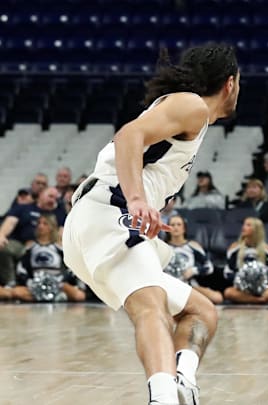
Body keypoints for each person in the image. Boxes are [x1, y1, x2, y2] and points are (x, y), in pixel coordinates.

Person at [62, 43, 239, 405]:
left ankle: (182, 384)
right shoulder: (191, 105)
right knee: (152, 307)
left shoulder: (188, 117)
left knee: (201, 311)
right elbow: (128, 135)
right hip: (109, 210)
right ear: (230, 84)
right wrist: (138, 199)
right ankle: (163, 398)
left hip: (93, 221)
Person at [11, 214, 86, 303]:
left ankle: (46, 297)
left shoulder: (58, 248)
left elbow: (72, 267)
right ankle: (53, 297)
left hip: (57, 283)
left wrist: (60, 279)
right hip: (36, 284)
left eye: (45, 224)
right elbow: (21, 268)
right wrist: (29, 282)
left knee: (79, 295)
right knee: (16, 292)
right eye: (39, 223)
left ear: (51, 227)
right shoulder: (31, 248)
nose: (40, 226)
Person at [0, 187, 65, 286]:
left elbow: (62, 233)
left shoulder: (59, 213)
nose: (53, 200)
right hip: (23, 246)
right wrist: (1, 235)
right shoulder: (23, 208)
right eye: (50, 196)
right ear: (40, 195)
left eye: (56, 198)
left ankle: (59, 283)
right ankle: (10, 282)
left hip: (50, 246)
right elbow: (10, 222)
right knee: (5, 247)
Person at [164, 215, 222, 305]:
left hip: (188, 285)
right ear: (167, 228)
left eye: (179, 224)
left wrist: (193, 271)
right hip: (167, 285)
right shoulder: (162, 247)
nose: (175, 227)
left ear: (184, 228)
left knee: (217, 298)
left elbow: (209, 267)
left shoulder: (192, 246)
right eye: (172, 225)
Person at [222, 217, 268, 304]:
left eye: (248, 225)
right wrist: (243, 279)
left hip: (261, 287)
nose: (243, 227)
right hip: (242, 288)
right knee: (228, 292)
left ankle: (251, 299)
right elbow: (227, 272)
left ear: (256, 229)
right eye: (244, 224)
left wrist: (259, 280)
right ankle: (259, 300)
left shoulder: (266, 249)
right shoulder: (235, 247)